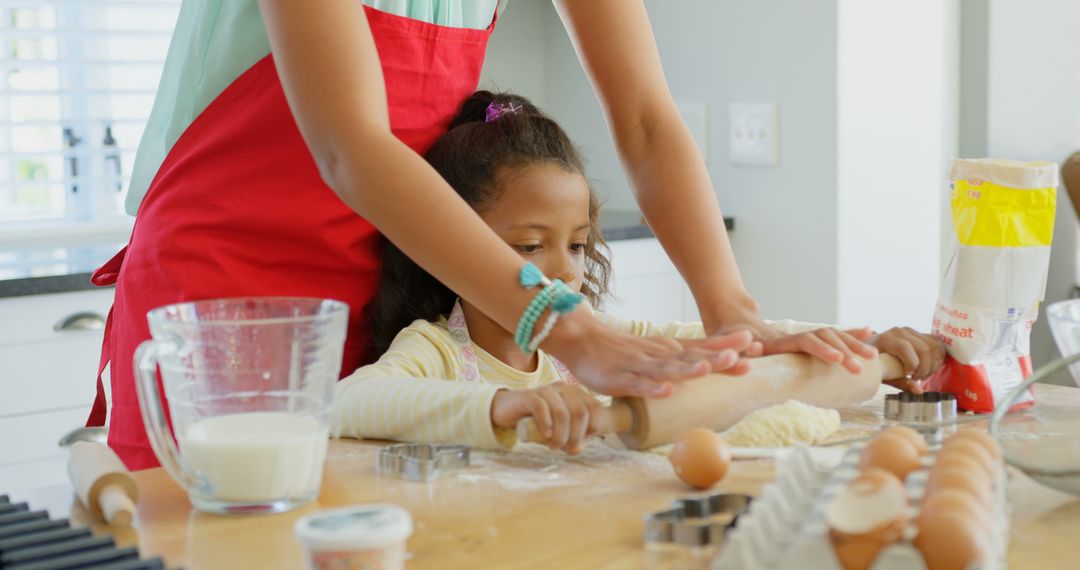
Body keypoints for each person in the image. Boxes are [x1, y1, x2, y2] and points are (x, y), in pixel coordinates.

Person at [89, 0, 877, 469]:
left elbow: (643, 117)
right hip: (232, 302)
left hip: (397, 287)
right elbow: (348, 145)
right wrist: (560, 320)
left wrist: (729, 307)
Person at [330, 91, 947, 454]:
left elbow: (702, 344)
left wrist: (859, 344)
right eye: (528, 247)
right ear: (449, 243)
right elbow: (349, 401)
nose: (561, 273)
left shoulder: (590, 340)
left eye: (575, 245)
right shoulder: (436, 349)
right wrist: (503, 405)